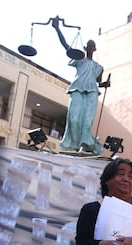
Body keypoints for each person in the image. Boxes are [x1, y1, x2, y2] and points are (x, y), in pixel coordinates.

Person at [52, 17, 109, 155]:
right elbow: (66, 46)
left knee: (87, 121)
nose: (90, 46)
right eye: (88, 45)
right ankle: (74, 144)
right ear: (85, 47)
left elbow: (98, 82)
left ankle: (85, 143)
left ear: (94, 49)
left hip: (92, 92)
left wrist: (105, 84)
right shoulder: (79, 59)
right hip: (77, 88)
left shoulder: (98, 67)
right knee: (74, 118)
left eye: (92, 45)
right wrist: (57, 28)